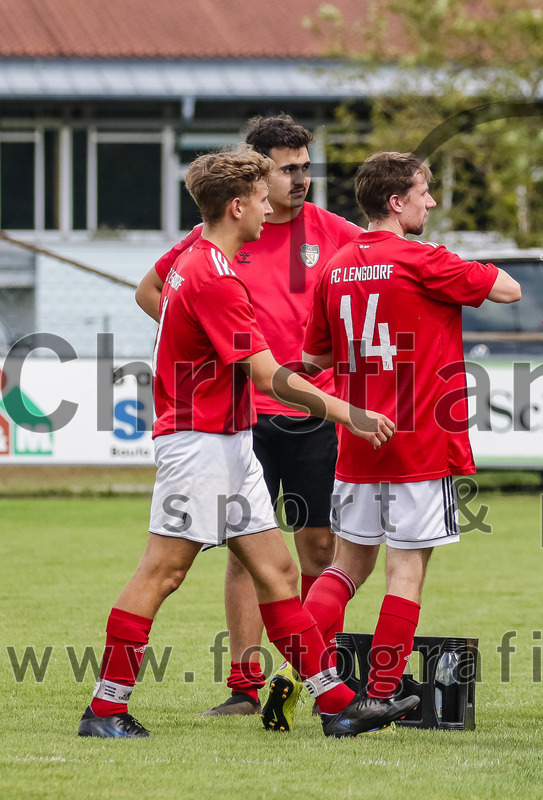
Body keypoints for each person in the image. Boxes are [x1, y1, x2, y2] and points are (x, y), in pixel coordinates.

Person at [79, 146, 417, 739]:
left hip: (228, 441)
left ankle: (336, 703)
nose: (271, 207)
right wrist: (350, 413)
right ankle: (106, 707)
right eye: (262, 198)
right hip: (200, 444)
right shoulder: (213, 276)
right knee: (163, 572)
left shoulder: (195, 257)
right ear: (237, 206)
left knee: (280, 571)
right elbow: (267, 376)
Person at [265, 151, 521, 722]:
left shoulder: (333, 267)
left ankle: (298, 668)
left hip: (357, 441)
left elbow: (313, 358)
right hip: (420, 441)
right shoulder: (422, 259)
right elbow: (509, 290)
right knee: (406, 572)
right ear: (395, 201)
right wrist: (443, 264)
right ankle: (381, 692)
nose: (431, 202)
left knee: (345, 570)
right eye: (424, 192)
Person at [137, 114, 362, 717]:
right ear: (249, 189)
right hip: (229, 420)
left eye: (304, 167)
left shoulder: (329, 231)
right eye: (284, 172)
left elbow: (380, 270)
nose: (299, 181)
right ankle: (237, 685)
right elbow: (153, 293)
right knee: (195, 567)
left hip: (285, 417)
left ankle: (324, 693)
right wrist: (208, 343)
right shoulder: (210, 256)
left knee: (302, 555)